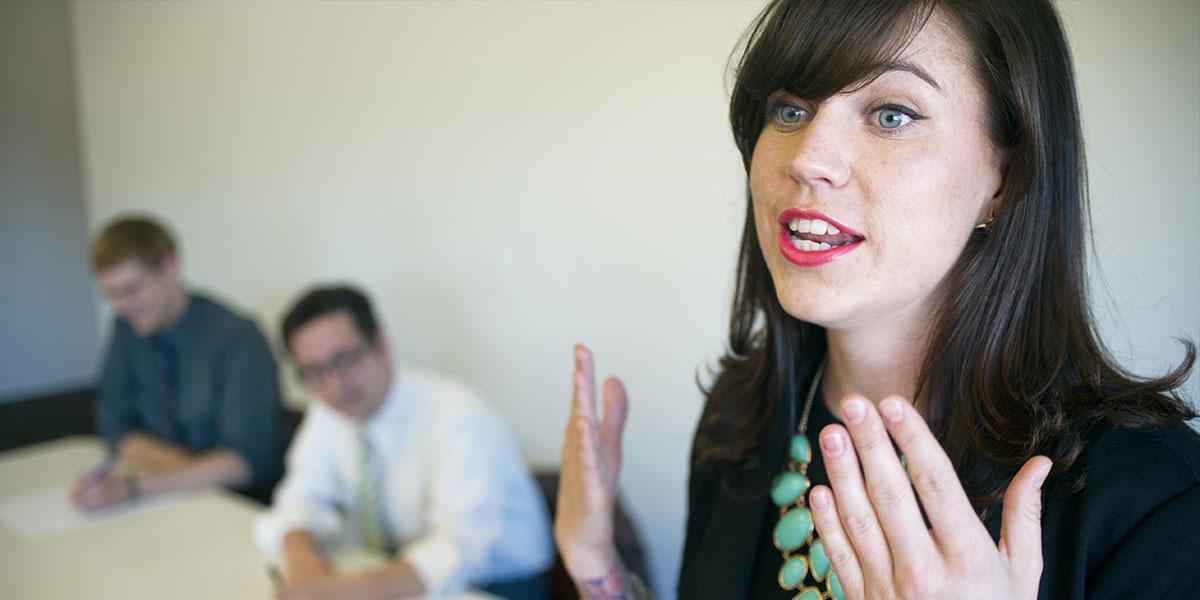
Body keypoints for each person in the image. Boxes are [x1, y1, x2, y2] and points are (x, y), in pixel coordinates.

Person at [554, 1, 1200, 599]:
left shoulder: (1157, 504)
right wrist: (600, 568)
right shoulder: (744, 421)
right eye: (790, 109)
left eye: (892, 114)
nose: (808, 158)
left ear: (1006, 175)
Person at [255, 285, 554, 599]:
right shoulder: (329, 413)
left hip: (496, 587)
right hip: (394, 573)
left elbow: (462, 549)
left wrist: (343, 592)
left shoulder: (459, 417)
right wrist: (304, 564)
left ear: (382, 346)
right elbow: (301, 496)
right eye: (314, 372)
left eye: (344, 359)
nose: (333, 384)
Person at [71, 216, 285, 509]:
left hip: (232, 506)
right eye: (111, 294)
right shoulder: (126, 329)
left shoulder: (237, 338)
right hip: (164, 494)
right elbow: (114, 425)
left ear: (170, 268)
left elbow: (246, 462)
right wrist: (185, 470)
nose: (122, 306)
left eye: (132, 289)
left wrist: (135, 487)